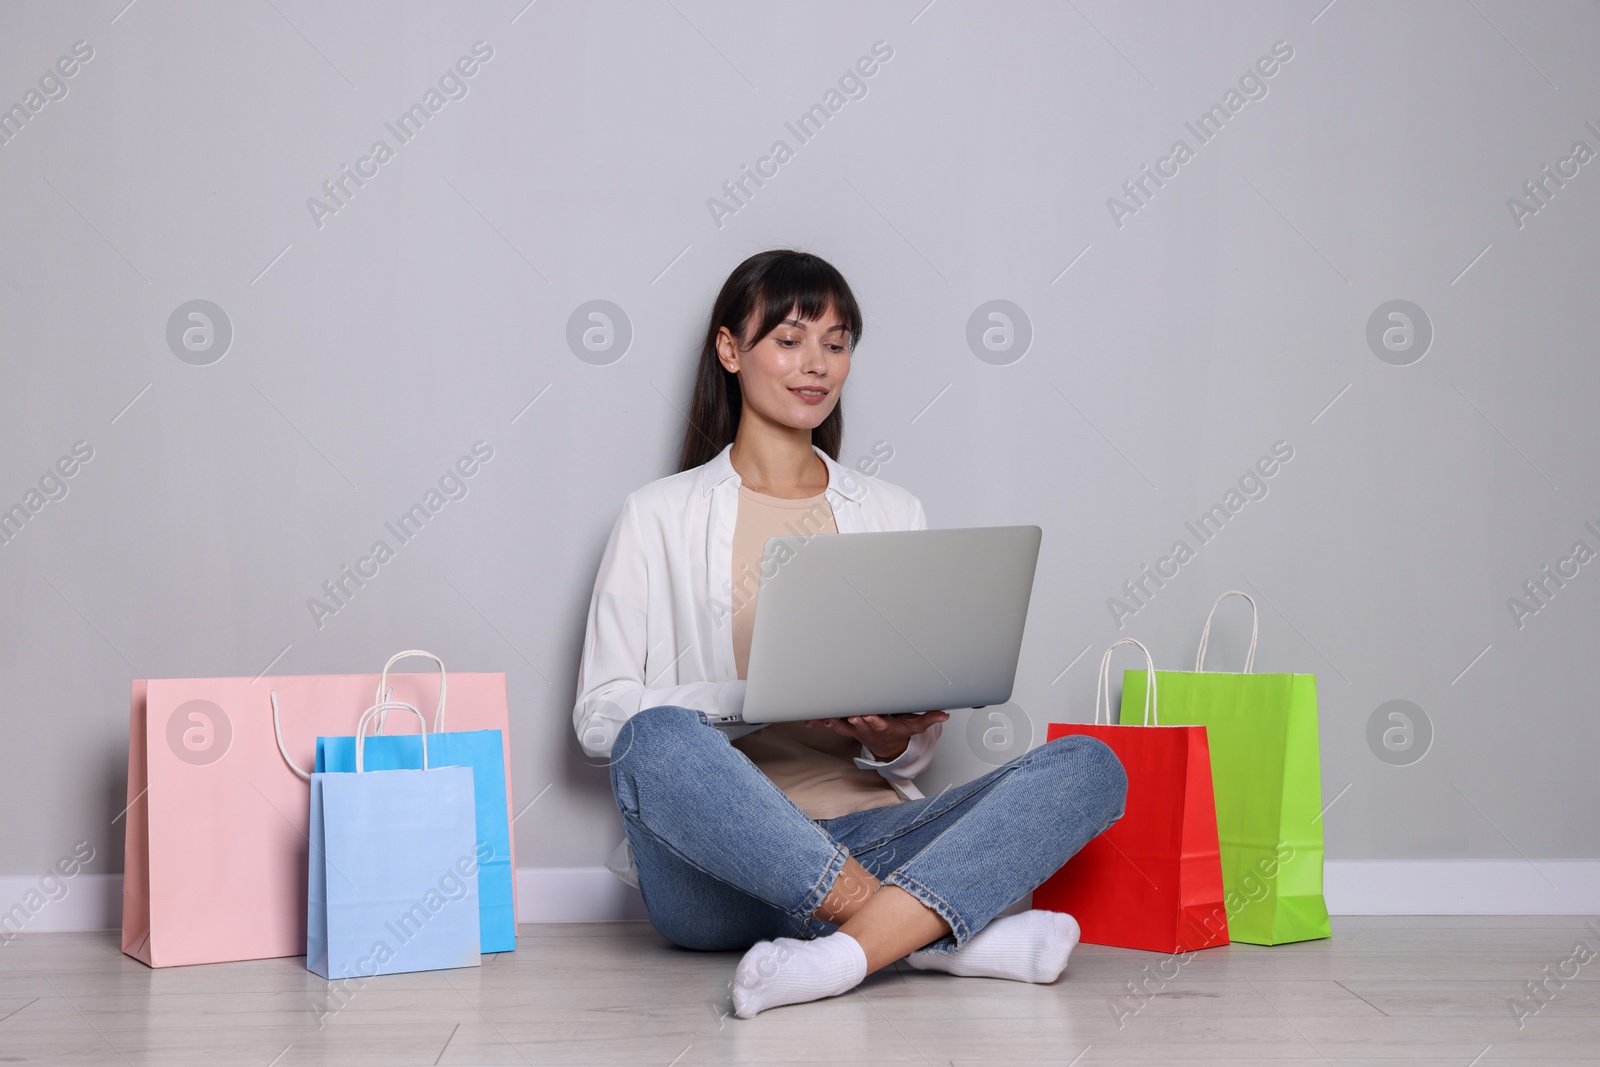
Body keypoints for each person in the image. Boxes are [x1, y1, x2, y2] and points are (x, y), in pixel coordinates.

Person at [573, 249, 1127, 1018]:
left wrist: (893, 736)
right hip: (717, 874)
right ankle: (930, 939)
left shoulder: (891, 509)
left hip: (876, 833)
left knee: (1092, 767)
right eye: (792, 339)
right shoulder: (656, 514)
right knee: (652, 738)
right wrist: (762, 698)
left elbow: (913, 745)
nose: (817, 364)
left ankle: (841, 952)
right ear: (731, 350)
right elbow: (601, 717)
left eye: (836, 343)